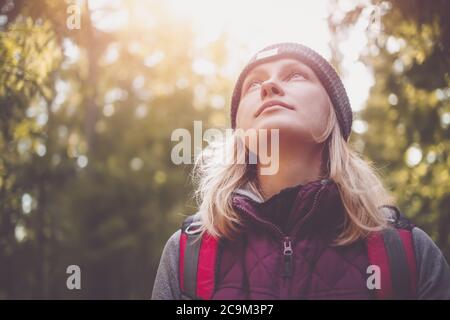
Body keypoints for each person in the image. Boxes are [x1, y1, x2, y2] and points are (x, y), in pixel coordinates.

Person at [151, 42, 450, 300]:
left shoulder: (408, 253)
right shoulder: (187, 254)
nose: (268, 87)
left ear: (332, 114)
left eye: (295, 75)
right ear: (239, 129)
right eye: (253, 85)